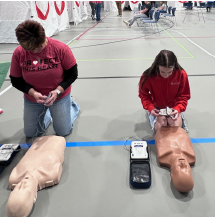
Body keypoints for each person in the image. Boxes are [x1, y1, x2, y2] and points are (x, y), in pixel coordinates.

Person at [10, 20, 80, 138]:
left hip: (59, 96)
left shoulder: (60, 48)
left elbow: (73, 74)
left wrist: (58, 91)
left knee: (63, 131)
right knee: (31, 133)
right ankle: (50, 111)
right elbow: (16, 80)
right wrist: (33, 93)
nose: (36, 51)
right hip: (33, 99)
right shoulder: (19, 53)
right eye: (31, 49)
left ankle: (72, 105)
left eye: (39, 47)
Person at [6, 136, 66, 217]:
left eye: (18, 188)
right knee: (62, 129)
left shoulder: (15, 176)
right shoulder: (50, 175)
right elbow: (58, 164)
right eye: (24, 188)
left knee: (30, 133)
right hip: (57, 140)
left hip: (37, 141)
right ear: (34, 196)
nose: (23, 183)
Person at [138, 50, 190, 133]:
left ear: (174, 66)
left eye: (170, 72)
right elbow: (143, 94)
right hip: (157, 108)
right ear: (157, 66)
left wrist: (178, 108)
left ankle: (179, 117)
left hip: (174, 107)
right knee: (162, 130)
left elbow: (184, 95)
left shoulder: (181, 74)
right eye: (162, 71)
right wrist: (150, 108)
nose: (166, 75)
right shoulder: (147, 76)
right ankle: (153, 118)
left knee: (175, 129)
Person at [155, 126, 195, 192]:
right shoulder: (191, 156)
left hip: (161, 128)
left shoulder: (162, 156)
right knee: (175, 120)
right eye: (186, 167)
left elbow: (159, 133)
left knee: (161, 121)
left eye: (180, 167)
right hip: (179, 127)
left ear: (172, 174)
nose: (182, 163)